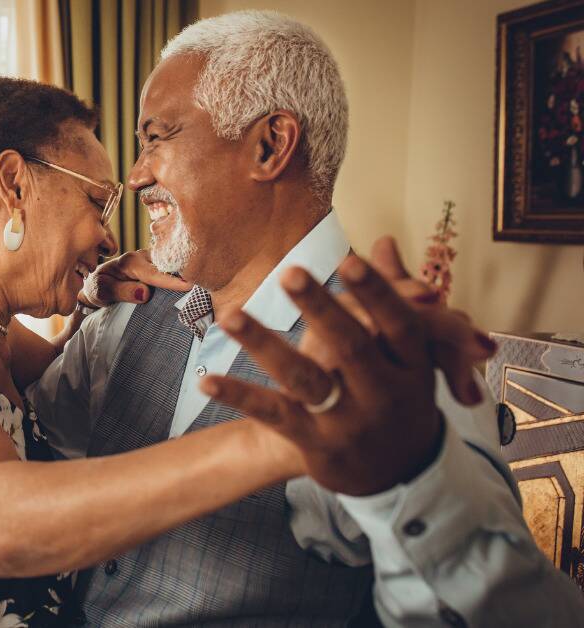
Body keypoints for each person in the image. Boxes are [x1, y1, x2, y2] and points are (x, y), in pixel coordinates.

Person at [0, 74, 495, 626]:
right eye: (97, 203)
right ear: (13, 183)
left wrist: (89, 297)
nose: (108, 234)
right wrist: (291, 437)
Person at [29, 10, 584, 626]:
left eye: (157, 137)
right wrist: (80, 310)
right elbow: (29, 449)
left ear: (269, 146)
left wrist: (416, 474)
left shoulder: (395, 367)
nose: (134, 176)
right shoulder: (125, 314)